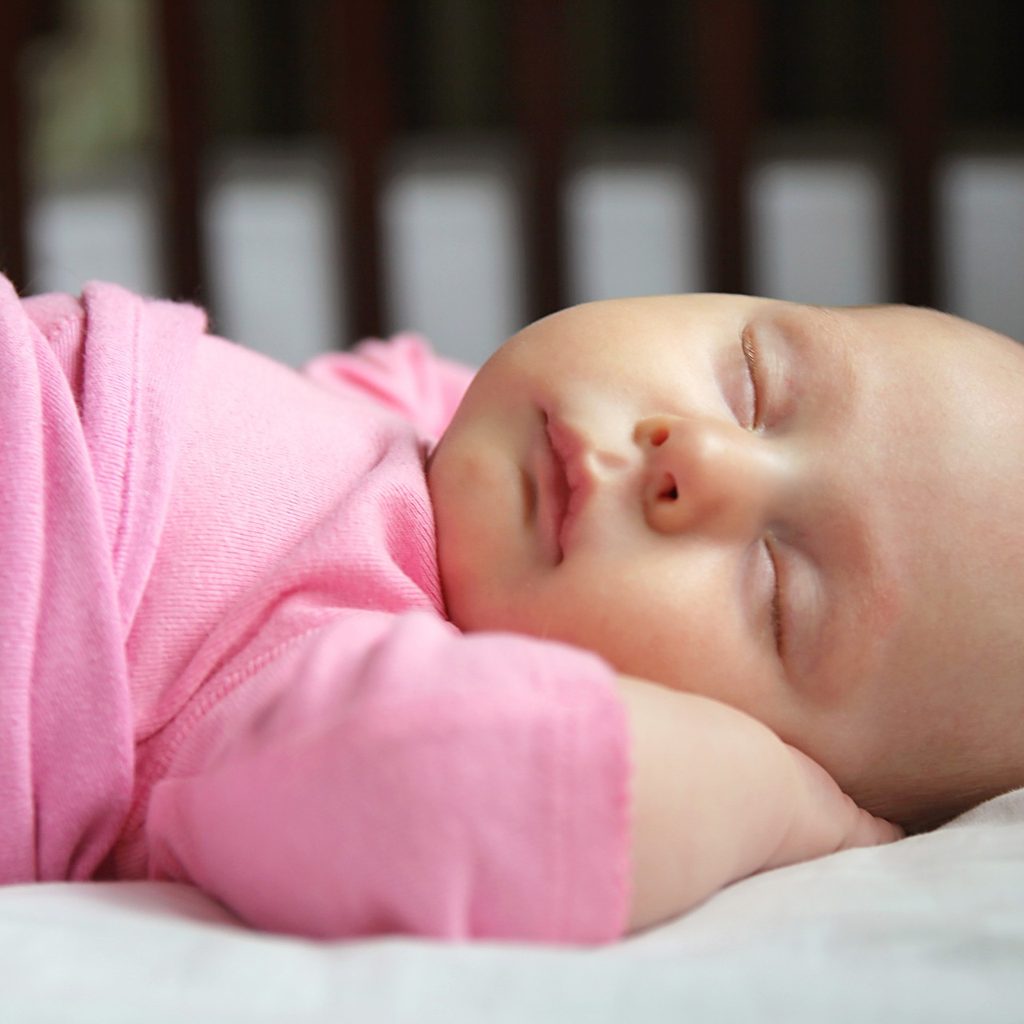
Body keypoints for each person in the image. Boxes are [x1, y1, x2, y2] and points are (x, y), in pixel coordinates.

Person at [3, 277, 1016, 945]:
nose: (698, 458)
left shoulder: (357, 671)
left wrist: (782, 803)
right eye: (751, 382)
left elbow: (468, 778)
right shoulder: (410, 432)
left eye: (775, 587)